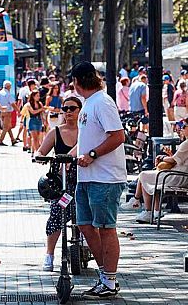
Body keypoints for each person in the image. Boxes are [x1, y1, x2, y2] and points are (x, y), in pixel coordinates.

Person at [70, 61, 126, 298]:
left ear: (77, 81)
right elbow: (88, 138)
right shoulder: (88, 104)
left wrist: (92, 155)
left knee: (105, 227)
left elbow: (118, 136)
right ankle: (104, 275)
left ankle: (110, 280)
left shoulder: (102, 102)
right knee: (84, 224)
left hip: (105, 177)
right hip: (87, 177)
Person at [34, 96, 81, 271]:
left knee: (86, 215)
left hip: (83, 180)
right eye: (65, 108)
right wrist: (39, 157)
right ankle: (49, 254)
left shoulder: (86, 131)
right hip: (61, 185)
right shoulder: (55, 132)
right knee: (56, 215)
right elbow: (41, 151)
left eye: (72, 108)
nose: (68, 112)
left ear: (80, 110)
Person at [121, 118, 188, 222]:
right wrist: (168, 156)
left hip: (178, 176)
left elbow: (173, 160)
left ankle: (142, 206)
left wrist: (161, 157)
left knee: (144, 176)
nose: (181, 129)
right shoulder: (185, 143)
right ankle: (151, 208)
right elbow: (178, 159)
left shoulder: (186, 144)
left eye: (184, 126)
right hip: (177, 174)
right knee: (148, 176)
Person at [0, 80, 20, 146]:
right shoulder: (8, 94)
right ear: (8, 86)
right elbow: (12, 104)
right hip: (7, 112)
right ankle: (0, 141)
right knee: (6, 127)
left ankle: (13, 140)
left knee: (8, 126)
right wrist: (18, 111)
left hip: (1, 112)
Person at [26, 90, 45, 155]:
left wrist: (44, 121)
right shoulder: (29, 104)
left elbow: (42, 112)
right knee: (35, 138)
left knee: (38, 138)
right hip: (32, 121)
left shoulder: (39, 103)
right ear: (33, 96)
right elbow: (33, 112)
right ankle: (37, 152)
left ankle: (33, 151)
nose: (38, 97)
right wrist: (41, 109)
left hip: (39, 121)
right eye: (37, 96)